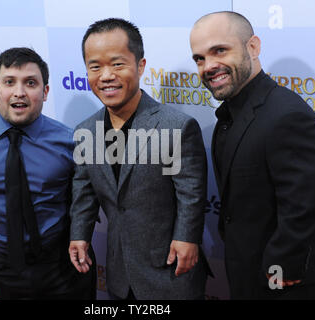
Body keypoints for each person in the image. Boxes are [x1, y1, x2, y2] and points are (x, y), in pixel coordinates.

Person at [68, 18, 212, 300]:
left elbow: (190, 193)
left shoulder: (175, 126)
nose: (106, 75)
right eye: (95, 66)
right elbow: (83, 192)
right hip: (120, 269)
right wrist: (79, 234)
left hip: (170, 267)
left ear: (140, 66)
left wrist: (187, 238)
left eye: (117, 64)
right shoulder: (85, 131)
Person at [0, 47, 96, 300]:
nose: (19, 92)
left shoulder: (71, 141)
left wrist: (81, 234)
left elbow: (86, 196)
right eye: (9, 82)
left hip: (65, 261)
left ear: (45, 92)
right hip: (5, 264)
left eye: (30, 83)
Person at [189, 11, 315, 299]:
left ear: (253, 47)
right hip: (246, 273)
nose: (208, 66)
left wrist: (277, 273)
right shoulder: (232, 113)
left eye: (220, 50)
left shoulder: (285, 115)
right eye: (199, 58)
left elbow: (306, 205)